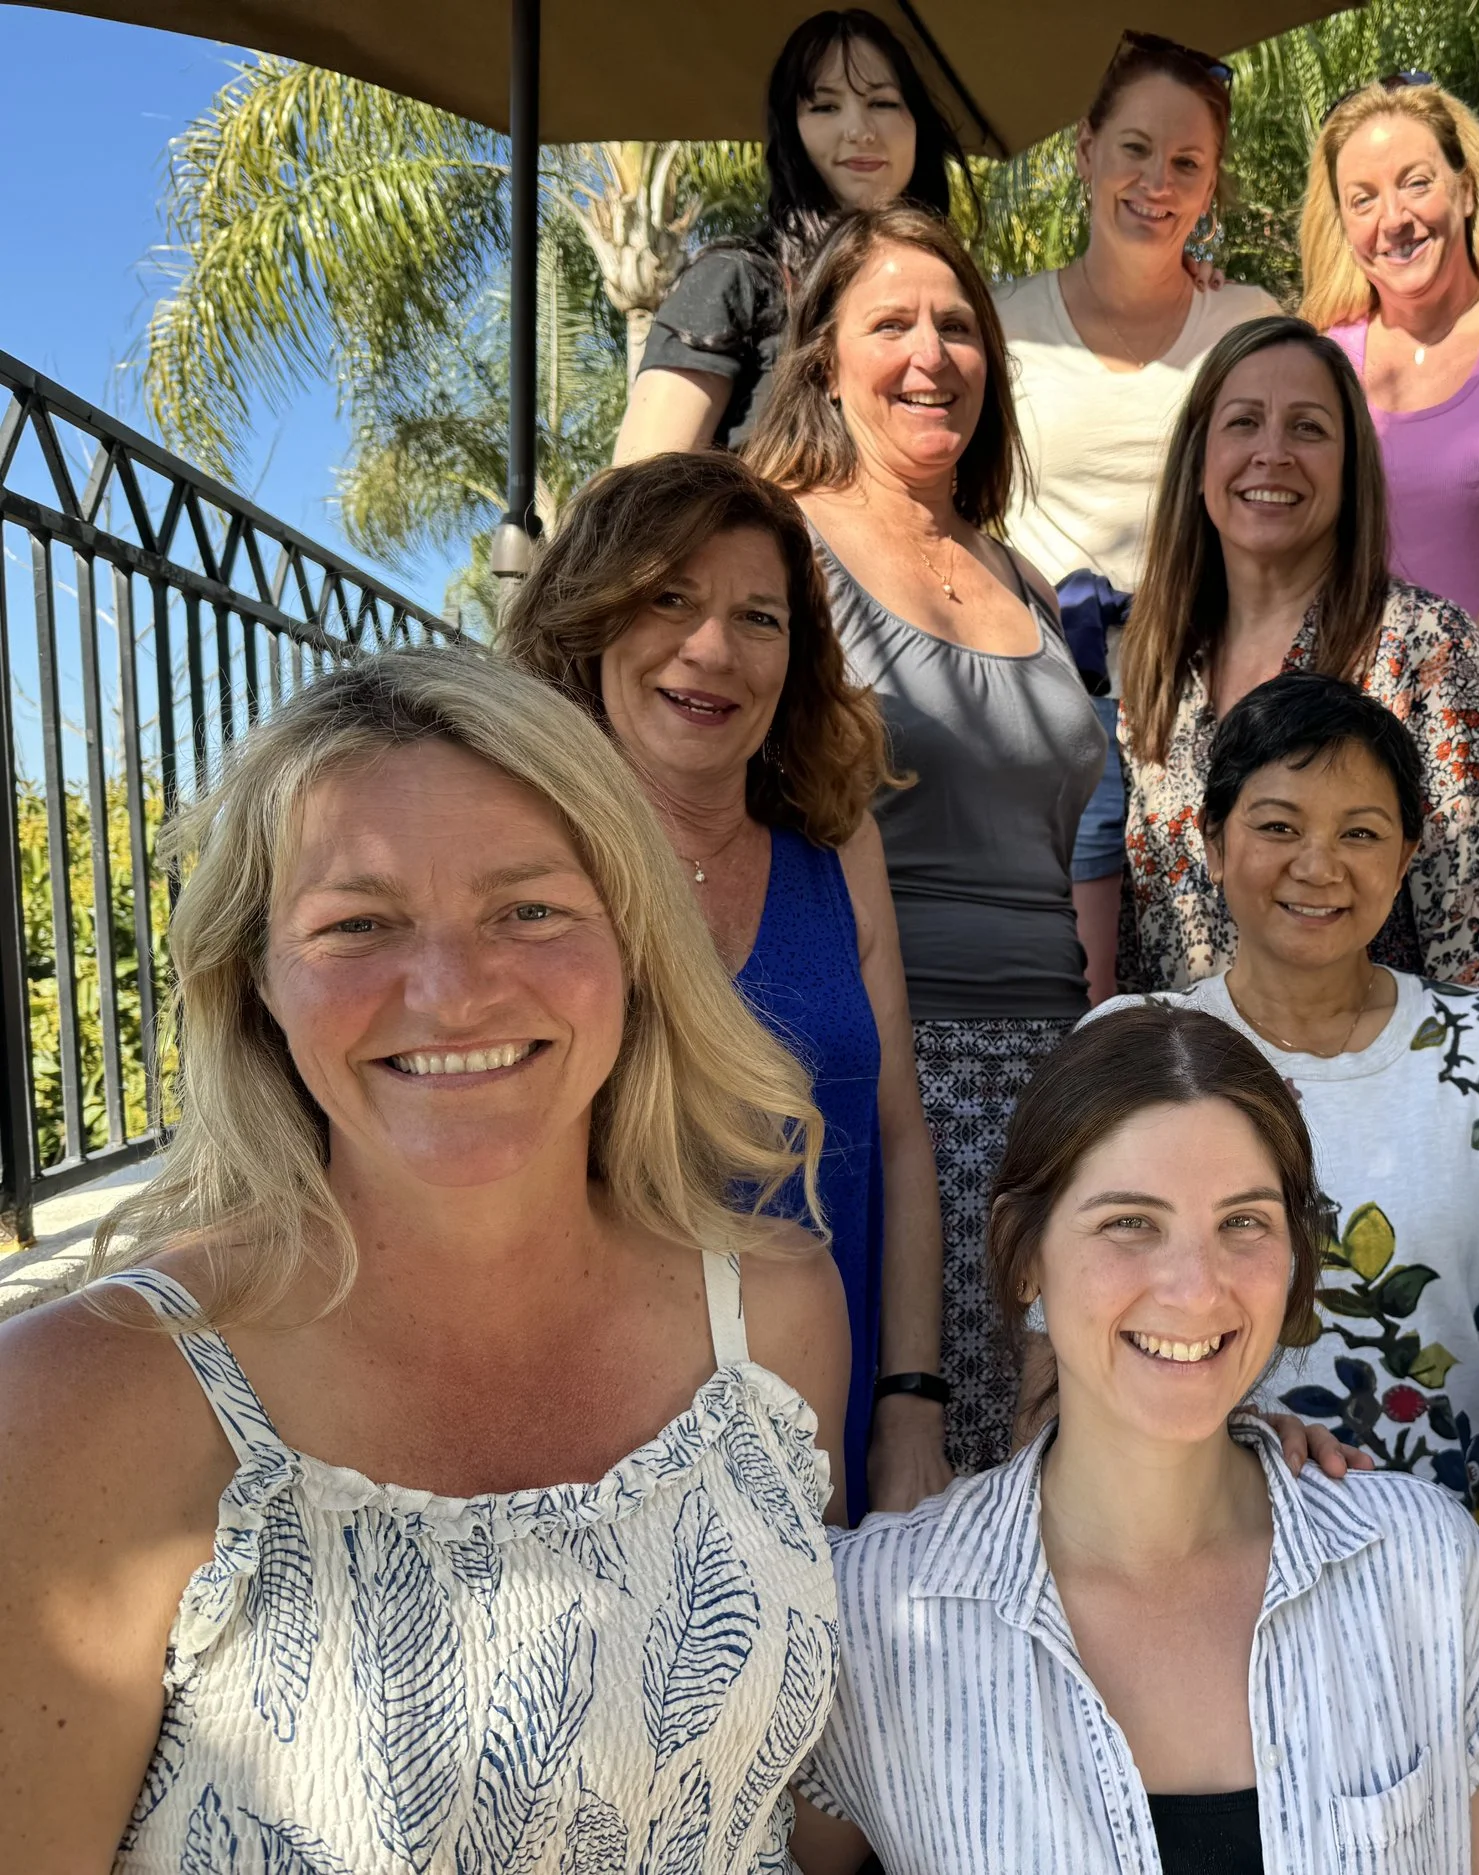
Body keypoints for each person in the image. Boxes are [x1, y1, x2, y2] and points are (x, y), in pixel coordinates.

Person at [0, 648, 851, 1869]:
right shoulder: (73, 1405)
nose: (452, 994)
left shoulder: (773, 1316)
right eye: (358, 923)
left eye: (530, 910)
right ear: (256, 985)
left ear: (634, 948)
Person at [790, 1005, 1479, 1874]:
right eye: (1129, 1223)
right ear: (1022, 1254)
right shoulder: (872, 1616)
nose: (1193, 1288)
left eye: (1244, 1222)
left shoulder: (1424, 1569)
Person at [500, 449, 951, 1518]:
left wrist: (909, 1406)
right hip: (591, 1445)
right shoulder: (521, 862)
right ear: (592, 617)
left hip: (822, 1428)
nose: (712, 650)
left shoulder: (838, 852)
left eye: (760, 618)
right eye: (669, 598)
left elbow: (895, 1135)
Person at [747, 201, 1106, 1476]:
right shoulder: (771, 541)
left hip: (1054, 1088)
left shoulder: (1011, 570)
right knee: (914, 1492)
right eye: (888, 321)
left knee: (1055, 1481)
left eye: (957, 324)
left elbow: (1081, 836)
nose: (930, 351)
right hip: (893, 1079)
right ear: (822, 356)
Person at [1091, 672, 1479, 1572]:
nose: (1318, 866)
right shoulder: (1131, 1054)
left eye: (1361, 832)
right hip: (1185, 1565)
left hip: (1448, 1580)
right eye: (1278, 826)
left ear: (1406, 855)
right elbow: (1065, 1352)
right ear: (1211, 841)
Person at [1121, 313, 1479, 999]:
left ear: (1350, 471)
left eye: (1308, 427)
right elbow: (1145, 950)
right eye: (1244, 422)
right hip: (1200, 1091)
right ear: (1199, 463)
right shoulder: (1159, 667)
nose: (1273, 453)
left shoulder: (1424, 648)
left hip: (1380, 1093)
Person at [992, 31, 1281, 1002]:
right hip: (1037, 716)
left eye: (1186, 163)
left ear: (1209, 186)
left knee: (1209, 996)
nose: (1157, 181)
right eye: (1135, 149)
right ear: (1085, 147)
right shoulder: (1000, 325)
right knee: (1066, 1001)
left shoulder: (1246, 325)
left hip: (1205, 704)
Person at [615, 9, 972, 460]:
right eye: (825, 107)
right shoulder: (736, 280)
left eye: (882, 103)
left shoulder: (951, 299)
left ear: (917, 122)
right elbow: (641, 490)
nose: (859, 130)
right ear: (791, 130)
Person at [1299, 76, 1479, 616]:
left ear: (1466, 191)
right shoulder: (1322, 366)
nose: (1393, 220)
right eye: (1362, 200)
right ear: (1343, 225)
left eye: (1416, 183)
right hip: (1355, 693)